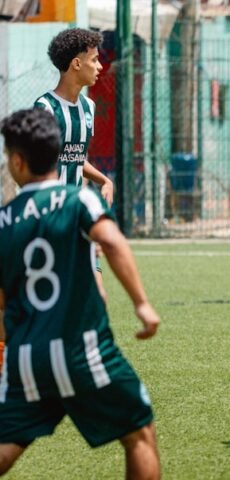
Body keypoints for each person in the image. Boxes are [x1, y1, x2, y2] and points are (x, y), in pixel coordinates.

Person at [0, 108, 161, 478]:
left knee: (6, 446)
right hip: (82, 353)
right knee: (139, 432)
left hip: (26, 360)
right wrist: (142, 305)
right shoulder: (80, 200)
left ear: (19, 162)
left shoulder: (4, 220)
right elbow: (112, 241)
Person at [34, 28, 114, 303]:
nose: (100, 66)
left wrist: (105, 180)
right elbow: (35, 169)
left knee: (96, 298)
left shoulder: (89, 108)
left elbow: (76, 157)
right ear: (76, 64)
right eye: (94, 59)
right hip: (49, 219)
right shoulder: (45, 109)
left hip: (76, 218)